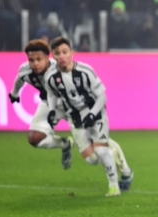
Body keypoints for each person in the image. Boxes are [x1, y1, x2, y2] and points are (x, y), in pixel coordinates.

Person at [44, 37, 134, 196]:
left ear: (72, 53)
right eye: (57, 53)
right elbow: (51, 93)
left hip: (96, 114)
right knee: (92, 159)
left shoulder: (85, 71)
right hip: (75, 119)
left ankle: (114, 186)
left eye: (65, 52)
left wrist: (92, 114)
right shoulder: (51, 76)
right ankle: (109, 146)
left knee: (101, 151)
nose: (61, 56)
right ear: (53, 56)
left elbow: (101, 96)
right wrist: (51, 110)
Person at [9, 39, 74, 170]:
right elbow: (19, 79)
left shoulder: (60, 68)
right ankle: (65, 144)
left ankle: (122, 170)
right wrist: (14, 93)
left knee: (91, 140)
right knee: (34, 138)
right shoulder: (25, 70)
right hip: (48, 103)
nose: (35, 63)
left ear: (47, 58)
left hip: (71, 104)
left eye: (39, 59)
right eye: (31, 60)